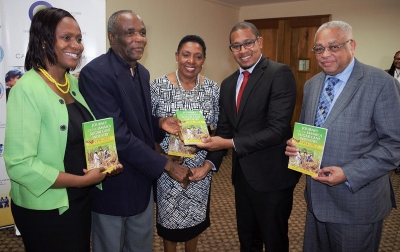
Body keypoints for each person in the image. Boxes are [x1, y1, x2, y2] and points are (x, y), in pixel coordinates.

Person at [4, 8, 122, 252]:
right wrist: (80, 181)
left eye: (78, 38)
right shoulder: (26, 89)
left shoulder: (72, 84)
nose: (76, 45)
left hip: (77, 201)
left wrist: (104, 163)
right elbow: (20, 165)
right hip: (45, 209)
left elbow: (80, 138)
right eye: (66, 38)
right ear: (44, 41)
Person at [78, 10, 192, 252]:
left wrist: (159, 123)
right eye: (130, 33)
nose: (139, 38)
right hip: (114, 183)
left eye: (142, 32)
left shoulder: (142, 73)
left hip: (142, 182)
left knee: (140, 246)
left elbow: (136, 121)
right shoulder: (95, 73)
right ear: (112, 37)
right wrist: (167, 165)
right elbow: (117, 134)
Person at [285, 21, 400, 252]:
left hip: (356, 201)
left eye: (334, 47)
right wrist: (296, 146)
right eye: (319, 49)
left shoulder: (381, 83)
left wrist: (348, 173)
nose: (325, 55)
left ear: (352, 46)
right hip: (316, 199)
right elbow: (311, 130)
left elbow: (395, 146)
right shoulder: (312, 84)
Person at [197, 22, 301, 252]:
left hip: (273, 176)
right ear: (231, 49)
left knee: (274, 240)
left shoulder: (279, 73)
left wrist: (229, 143)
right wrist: (206, 158)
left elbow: (277, 130)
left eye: (248, 43)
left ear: (260, 42)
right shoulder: (227, 84)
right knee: (247, 239)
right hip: (242, 177)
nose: (243, 50)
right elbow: (224, 130)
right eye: (236, 46)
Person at [150, 35, 220, 252]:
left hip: (199, 170)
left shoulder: (212, 89)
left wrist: (206, 165)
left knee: (195, 224)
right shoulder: (158, 86)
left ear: (203, 60)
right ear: (177, 56)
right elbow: (148, 128)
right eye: (186, 55)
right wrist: (164, 158)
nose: (191, 61)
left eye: (198, 57)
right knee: (169, 226)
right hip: (167, 168)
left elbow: (218, 128)